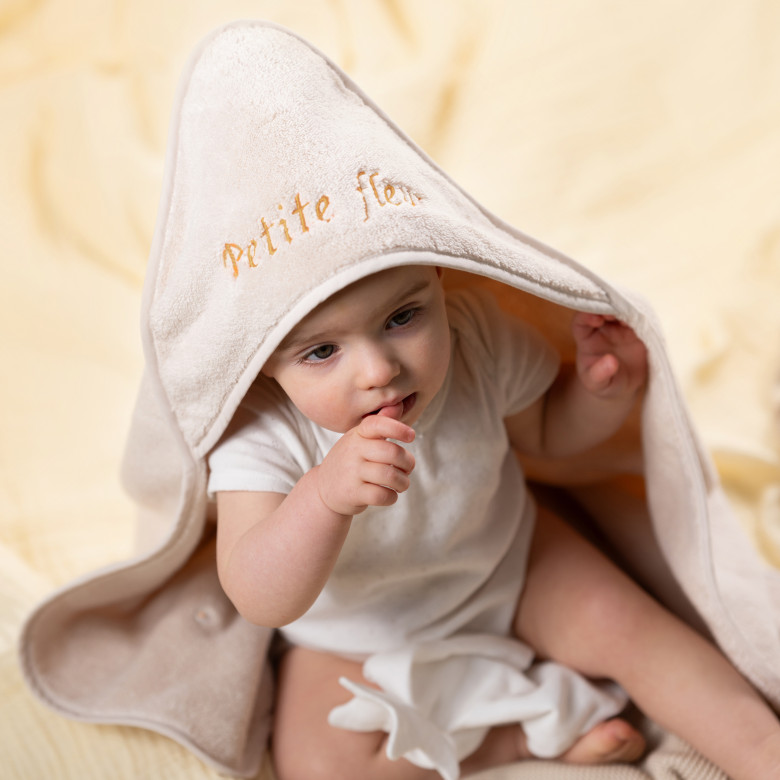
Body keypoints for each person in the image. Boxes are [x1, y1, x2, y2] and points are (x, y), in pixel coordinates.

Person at [208, 263, 780, 780]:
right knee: (317, 765)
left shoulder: (473, 335)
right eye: (321, 353)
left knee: (640, 636)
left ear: (436, 275)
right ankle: (516, 737)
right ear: (264, 361)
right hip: (354, 639)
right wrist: (322, 496)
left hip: (513, 565)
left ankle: (761, 752)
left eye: (402, 317)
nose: (380, 369)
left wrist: (601, 392)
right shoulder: (260, 426)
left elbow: (549, 430)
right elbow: (258, 594)